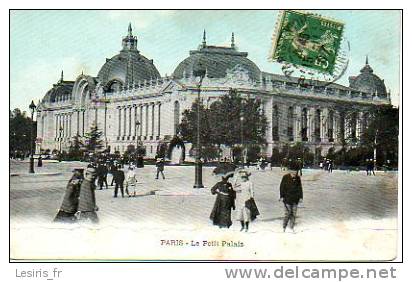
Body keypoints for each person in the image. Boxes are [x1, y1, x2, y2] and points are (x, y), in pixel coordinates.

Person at [279, 162, 303, 232]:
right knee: (288, 213)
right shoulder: (285, 177)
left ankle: (291, 227)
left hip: (295, 199)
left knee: (294, 214)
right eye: (293, 171)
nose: (295, 172)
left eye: (296, 171)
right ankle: (284, 227)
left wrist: (301, 197)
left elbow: (300, 188)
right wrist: (282, 196)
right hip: (287, 198)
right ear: (290, 171)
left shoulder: (298, 178)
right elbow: (282, 187)